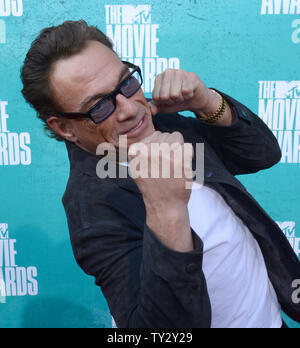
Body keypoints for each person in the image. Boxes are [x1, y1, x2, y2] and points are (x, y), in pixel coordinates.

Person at [21, 20, 300, 328]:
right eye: (99, 106)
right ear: (64, 128)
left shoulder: (161, 124)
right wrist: (166, 211)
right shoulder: (91, 210)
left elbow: (263, 154)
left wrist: (207, 102)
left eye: (126, 83)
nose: (128, 108)